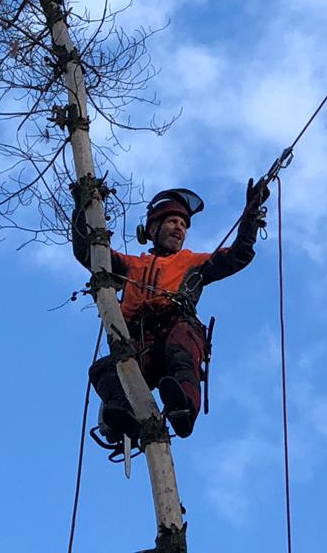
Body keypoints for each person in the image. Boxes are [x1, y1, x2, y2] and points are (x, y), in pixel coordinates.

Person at [72, 180, 269, 446]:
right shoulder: (130, 265)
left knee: (180, 348)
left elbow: (238, 254)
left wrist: (251, 215)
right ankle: (123, 414)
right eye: (173, 222)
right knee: (103, 369)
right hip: (140, 342)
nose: (180, 228)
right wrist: (82, 205)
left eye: (184, 225)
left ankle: (183, 407)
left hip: (176, 328)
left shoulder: (192, 262)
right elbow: (88, 253)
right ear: (153, 229)